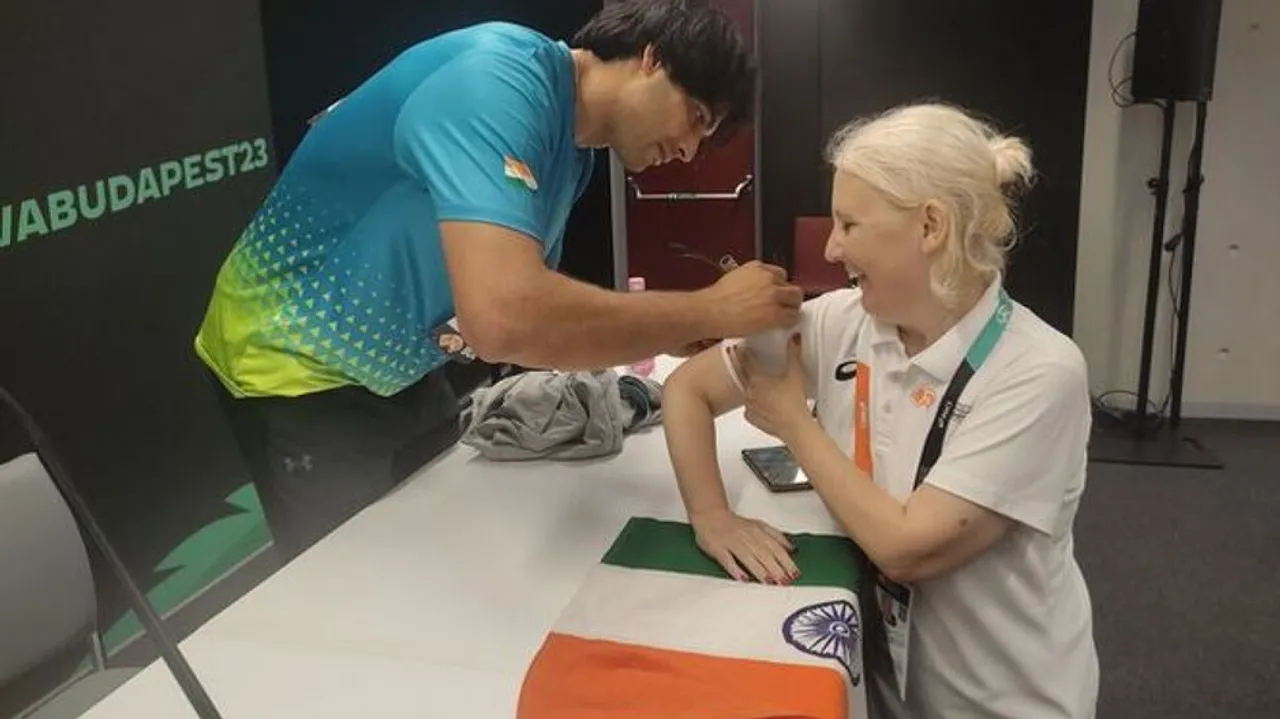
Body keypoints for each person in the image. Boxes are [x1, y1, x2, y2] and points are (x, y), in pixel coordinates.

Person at [194, 0, 802, 560]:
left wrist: (659, 331)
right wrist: (708, 312)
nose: (691, 152)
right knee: (358, 590)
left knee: (437, 550)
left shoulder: (572, 152)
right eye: (696, 119)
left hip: (396, 368)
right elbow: (508, 316)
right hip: (294, 363)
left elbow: (526, 312)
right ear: (652, 58)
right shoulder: (498, 79)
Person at [660, 103, 1099, 718]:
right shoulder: (845, 320)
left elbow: (905, 547)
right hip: (883, 690)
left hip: (1001, 702)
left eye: (849, 224)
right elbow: (686, 389)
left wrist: (793, 422)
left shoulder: (1038, 373)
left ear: (930, 227)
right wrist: (712, 517)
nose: (832, 248)